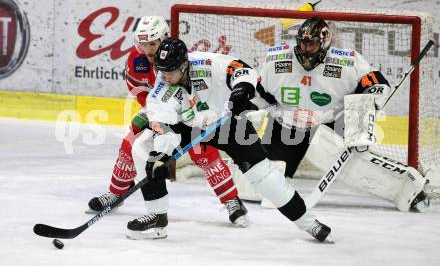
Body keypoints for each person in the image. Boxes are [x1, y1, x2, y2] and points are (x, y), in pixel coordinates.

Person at [127, 37, 332, 242]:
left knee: (263, 177)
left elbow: (241, 70)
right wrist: (162, 156)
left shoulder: (207, 63)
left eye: (170, 71)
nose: (165, 77)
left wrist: (240, 91)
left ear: (184, 64)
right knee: (143, 148)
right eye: (162, 71)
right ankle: (157, 215)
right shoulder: (161, 86)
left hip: (228, 121)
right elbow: (163, 125)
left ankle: (309, 223)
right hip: (189, 126)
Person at [252, 16, 429, 212]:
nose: (305, 49)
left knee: (358, 163)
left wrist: (367, 108)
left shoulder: (347, 61)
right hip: (284, 130)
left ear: (325, 43)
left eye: (311, 44)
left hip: (328, 128)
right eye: (302, 44)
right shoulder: (277, 60)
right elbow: (259, 94)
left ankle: (408, 187)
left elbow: (375, 82)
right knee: (260, 186)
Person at [87, 16, 249, 226]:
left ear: (163, 39)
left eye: (152, 44)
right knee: (129, 145)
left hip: (190, 115)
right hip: (161, 116)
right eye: (143, 44)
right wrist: (149, 114)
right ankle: (115, 194)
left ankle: (232, 201)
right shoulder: (136, 61)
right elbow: (144, 95)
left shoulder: (180, 59)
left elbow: (200, 95)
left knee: (204, 152)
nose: (148, 50)